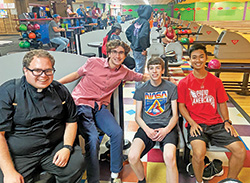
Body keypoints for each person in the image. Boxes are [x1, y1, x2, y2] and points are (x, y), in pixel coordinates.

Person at [58, 40, 149, 183]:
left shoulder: (123, 71)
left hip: (99, 107)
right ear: (109, 52)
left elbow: (140, 77)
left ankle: (115, 173)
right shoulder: (94, 62)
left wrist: (163, 80)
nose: (117, 56)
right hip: (82, 103)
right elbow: (76, 74)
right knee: (93, 139)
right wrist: (56, 84)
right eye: (114, 52)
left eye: (121, 53)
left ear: (125, 56)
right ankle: (93, 180)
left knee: (117, 133)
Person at [0, 49, 86, 183]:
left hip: (53, 149)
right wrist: (9, 172)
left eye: (48, 70)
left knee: (75, 164)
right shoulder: (9, 92)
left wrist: (67, 147)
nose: (43, 75)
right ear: (25, 70)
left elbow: (71, 121)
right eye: (37, 70)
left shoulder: (60, 90)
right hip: (21, 154)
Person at [177, 44, 246, 183]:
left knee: (240, 151)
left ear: (206, 58)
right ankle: (199, 181)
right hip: (196, 125)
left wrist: (227, 121)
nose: (198, 60)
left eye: (201, 56)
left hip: (216, 124)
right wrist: (192, 123)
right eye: (194, 57)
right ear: (189, 60)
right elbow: (181, 106)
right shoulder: (184, 83)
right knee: (198, 153)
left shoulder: (216, 81)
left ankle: (230, 181)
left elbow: (222, 103)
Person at [128, 57, 179, 183]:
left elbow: (175, 115)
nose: (154, 71)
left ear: (162, 70)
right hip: (147, 126)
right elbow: (137, 117)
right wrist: (148, 130)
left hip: (167, 126)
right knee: (132, 156)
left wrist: (166, 130)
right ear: (148, 70)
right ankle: (142, 180)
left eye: (157, 68)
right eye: (151, 68)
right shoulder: (141, 89)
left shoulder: (171, 87)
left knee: (169, 156)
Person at [126, 5, 153, 88]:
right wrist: (144, 48)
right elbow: (142, 36)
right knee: (140, 70)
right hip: (140, 50)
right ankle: (138, 89)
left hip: (135, 49)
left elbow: (128, 32)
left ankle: (138, 87)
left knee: (138, 68)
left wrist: (134, 42)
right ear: (148, 13)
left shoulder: (137, 21)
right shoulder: (145, 23)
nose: (152, 15)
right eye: (152, 13)